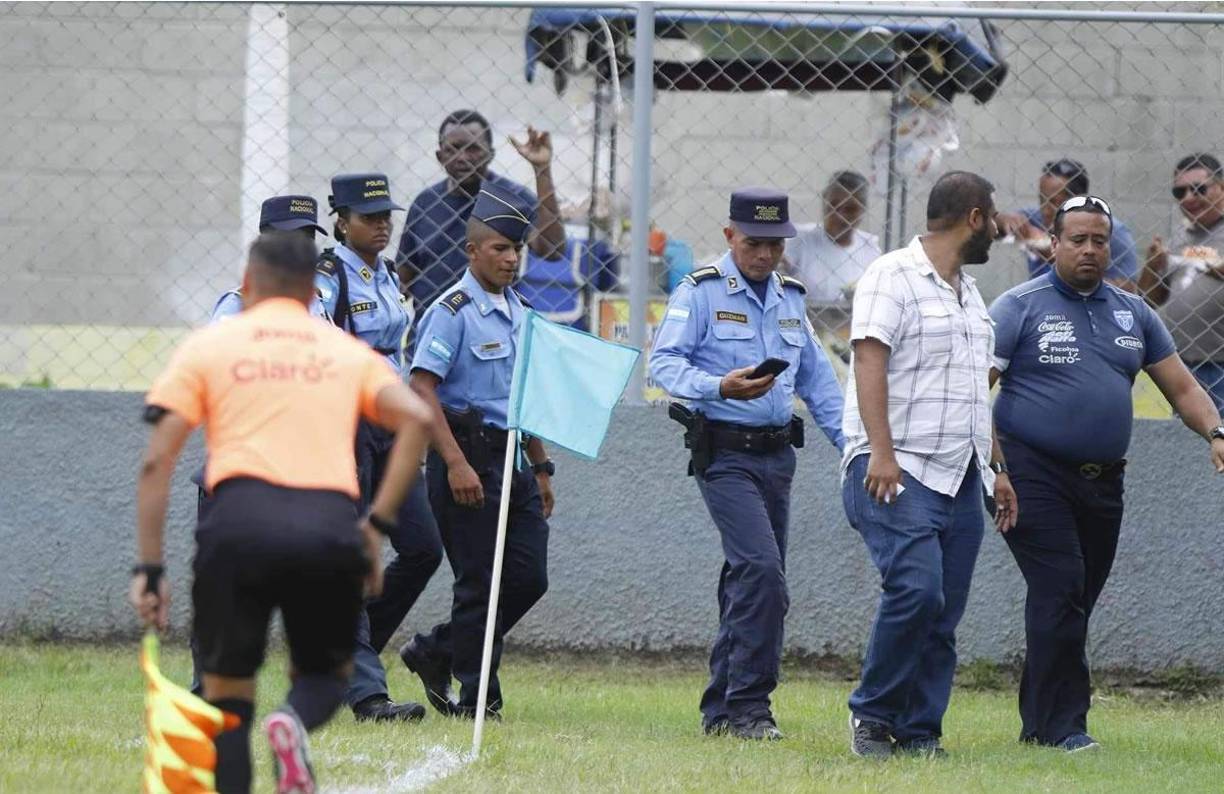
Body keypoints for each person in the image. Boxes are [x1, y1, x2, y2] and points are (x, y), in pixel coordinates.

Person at [129, 233, 433, 794]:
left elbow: (156, 462)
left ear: (247, 283)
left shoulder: (212, 346)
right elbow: (417, 418)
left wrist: (149, 569)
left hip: (236, 524)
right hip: (327, 526)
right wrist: (378, 526)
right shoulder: (344, 350)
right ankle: (292, 721)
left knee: (227, 701)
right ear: (310, 289)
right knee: (323, 677)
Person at [990, 195, 1224, 752]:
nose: (1091, 250)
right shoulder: (1019, 306)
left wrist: (1216, 432)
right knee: (1062, 588)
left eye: (1100, 240)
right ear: (1054, 242)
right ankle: (1064, 727)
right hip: (1029, 472)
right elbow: (976, 392)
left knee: (1073, 600)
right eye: (1078, 240)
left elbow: (1184, 387)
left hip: (1103, 481)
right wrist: (995, 466)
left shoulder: (1133, 311)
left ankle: (1038, 721)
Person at [650, 188, 846, 741]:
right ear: (730, 235)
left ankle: (720, 708)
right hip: (725, 454)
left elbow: (817, 381)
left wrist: (852, 446)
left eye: (775, 246)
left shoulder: (789, 297)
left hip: (778, 456)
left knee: (749, 579)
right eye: (754, 243)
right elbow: (664, 361)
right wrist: (718, 386)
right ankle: (750, 707)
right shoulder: (701, 292)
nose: (765, 256)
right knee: (761, 573)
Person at [842, 171, 1018, 759]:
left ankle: (919, 731)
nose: (996, 229)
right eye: (991, 217)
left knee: (943, 610)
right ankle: (871, 718)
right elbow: (869, 362)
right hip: (896, 468)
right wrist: (882, 452)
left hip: (960, 476)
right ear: (973, 217)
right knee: (917, 591)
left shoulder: (970, 294)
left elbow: (974, 393)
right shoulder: (891, 276)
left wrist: (997, 470)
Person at [401, 181, 555, 720]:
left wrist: (541, 467)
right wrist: (455, 463)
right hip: (464, 458)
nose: (512, 259)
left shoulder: (521, 310)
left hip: (512, 460)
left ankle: (437, 650)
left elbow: (525, 392)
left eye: (517, 249)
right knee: (479, 581)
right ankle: (476, 694)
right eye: (500, 249)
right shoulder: (453, 309)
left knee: (528, 577)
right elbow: (422, 387)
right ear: (473, 251)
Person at [187, 194, 330, 697]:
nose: (303, 247)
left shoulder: (318, 311)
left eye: (310, 237)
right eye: (292, 237)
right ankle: (208, 687)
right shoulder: (235, 309)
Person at [315, 173, 444, 722]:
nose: (381, 224)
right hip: (348, 421)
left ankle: (343, 652)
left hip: (390, 423)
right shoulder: (327, 276)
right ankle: (368, 694)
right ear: (341, 221)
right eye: (369, 216)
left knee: (422, 546)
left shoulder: (388, 275)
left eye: (385, 214)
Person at [396, 109, 566, 310]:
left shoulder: (512, 197)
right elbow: (404, 278)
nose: (462, 157)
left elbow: (552, 250)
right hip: (431, 328)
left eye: (473, 148)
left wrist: (542, 170)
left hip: (493, 328)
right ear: (440, 156)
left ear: (490, 154)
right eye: (454, 149)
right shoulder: (425, 202)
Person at [1139, 153, 1224, 411]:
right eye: (1180, 192)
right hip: (1182, 367)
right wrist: (1152, 266)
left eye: (1198, 189)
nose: (1189, 198)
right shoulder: (1181, 235)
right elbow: (1150, 298)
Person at [997, 159, 1139, 291]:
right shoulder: (1036, 219)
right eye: (1042, 199)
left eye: (1054, 202)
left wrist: (1052, 252)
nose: (1045, 210)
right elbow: (994, 225)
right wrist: (1005, 219)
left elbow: (1128, 291)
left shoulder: (1112, 232)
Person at [784, 170, 882, 305]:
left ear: (862, 210)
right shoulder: (800, 240)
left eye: (850, 209)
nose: (839, 215)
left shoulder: (869, 248)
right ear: (824, 201)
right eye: (833, 205)